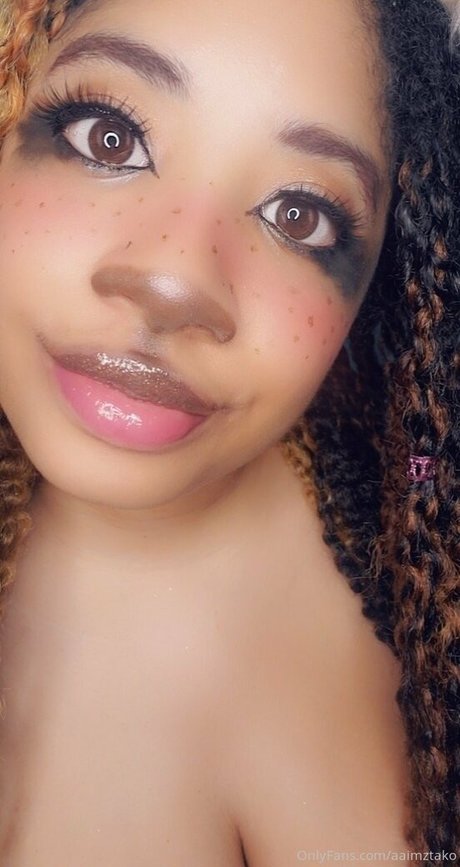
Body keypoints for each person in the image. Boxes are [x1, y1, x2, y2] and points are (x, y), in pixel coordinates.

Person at [0, 0, 458, 862]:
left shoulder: (364, 742)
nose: (177, 282)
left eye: (298, 215)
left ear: (373, 294)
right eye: (109, 138)